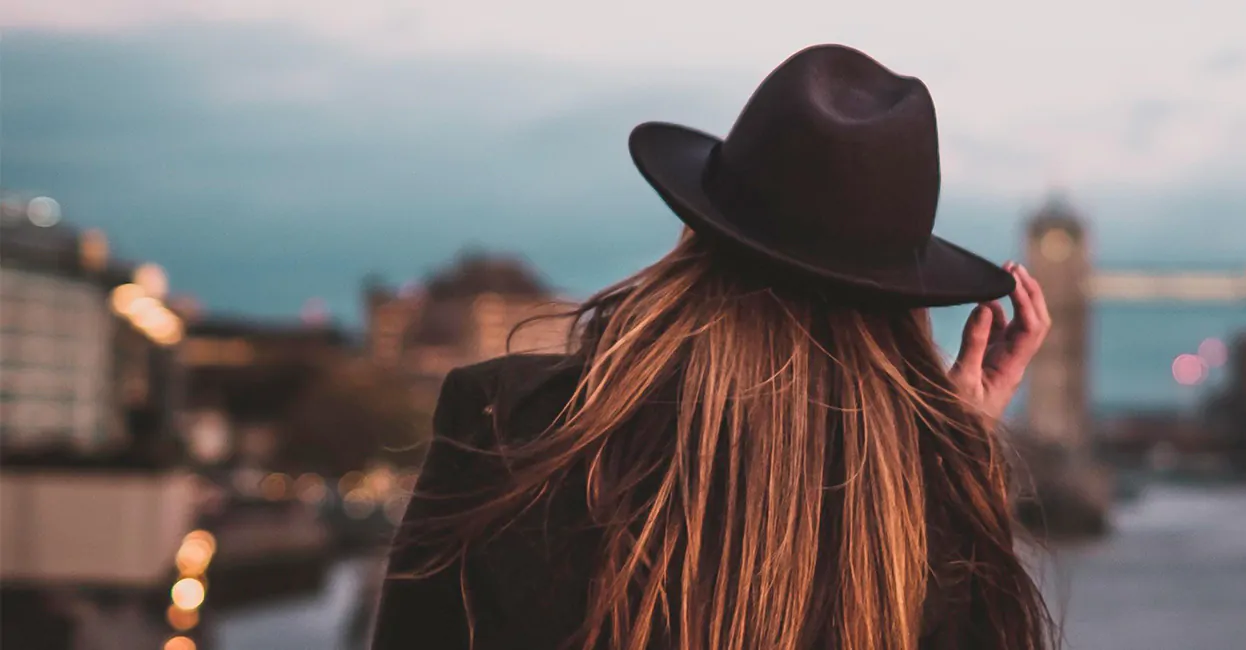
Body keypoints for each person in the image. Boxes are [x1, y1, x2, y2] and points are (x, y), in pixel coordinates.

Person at [371, 44, 1057, 650]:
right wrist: (955, 457)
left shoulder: (505, 423)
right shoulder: (928, 525)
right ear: (902, 307)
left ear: (699, 234)